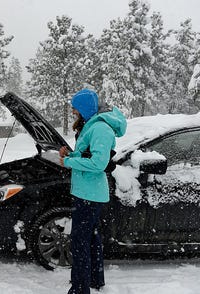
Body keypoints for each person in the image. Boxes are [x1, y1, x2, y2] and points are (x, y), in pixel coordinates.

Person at [59, 89, 126, 294]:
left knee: (80, 242)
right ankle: (94, 280)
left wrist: (69, 161)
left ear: (85, 108)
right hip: (88, 192)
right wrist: (70, 153)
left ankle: (80, 289)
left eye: (75, 108)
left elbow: (98, 163)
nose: (73, 112)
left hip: (90, 194)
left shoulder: (100, 129)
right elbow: (88, 154)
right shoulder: (92, 126)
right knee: (91, 238)